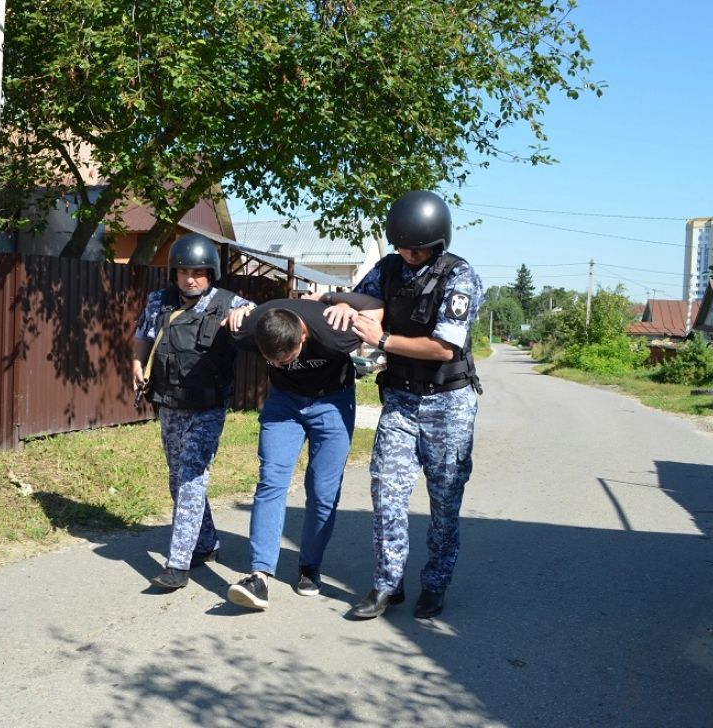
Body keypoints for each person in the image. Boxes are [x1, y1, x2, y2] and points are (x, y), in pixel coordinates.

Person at [322, 190, 482, 620]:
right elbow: (364, 302)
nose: (408, 255)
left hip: (449, 404)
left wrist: (384, 340)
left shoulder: (460, 277)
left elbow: (445, 347)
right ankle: (387, 583)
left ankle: (436, 583)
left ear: (438, 242)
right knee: (386, 492)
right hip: (400, 402)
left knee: (444, 501)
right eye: (402, 246)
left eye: (417, 248)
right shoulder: (388, 269)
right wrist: (340, 302)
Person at [224, 296, 379, 611]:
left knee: (323, 492)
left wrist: (344, 303)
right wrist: (235, 312)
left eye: (286, 360)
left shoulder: (335, 332)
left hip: (332, 402)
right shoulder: (252, 327)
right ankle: (259, 575)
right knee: (271, 481)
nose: (281, 366)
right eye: (274, 362)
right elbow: (226, 318)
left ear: (304, 337)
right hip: (284, 402)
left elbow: (377, 308)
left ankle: (310, 565)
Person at [132, 233, 254, 591]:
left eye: (198, 272)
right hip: (170, 405)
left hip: (207, 408)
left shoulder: (229, 302)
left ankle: (178, 565)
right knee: (177, 479)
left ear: (210, 273)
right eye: (184, 271)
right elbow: (143, 336)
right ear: (174, 273)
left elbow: (263, 317)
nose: (190, 279)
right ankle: (206, 543)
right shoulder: (159, 301)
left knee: (190, 479)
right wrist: (137, 364)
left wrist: (247, 315)